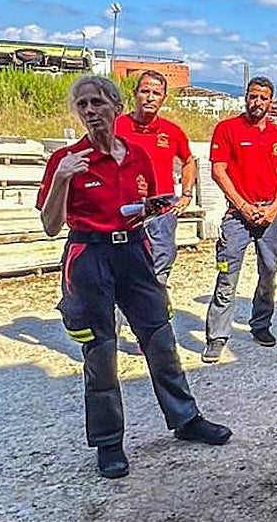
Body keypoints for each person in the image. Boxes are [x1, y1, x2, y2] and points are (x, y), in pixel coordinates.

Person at [38, 75, 231, 480]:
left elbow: (143, 205)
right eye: (83, 105)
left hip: (134, 251)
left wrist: (150, 209)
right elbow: (51, 225)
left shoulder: (138, 156)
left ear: (116, 106)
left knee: (160, 338)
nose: (90, 112)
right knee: (101, 351)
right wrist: (61, 180)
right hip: (89, 255)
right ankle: (109, 443)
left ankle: (186, 418)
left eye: (97, 103)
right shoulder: (67, 160)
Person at [203, 77, 277, 361]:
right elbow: (219, 171)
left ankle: (261, 324)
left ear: (271, 101)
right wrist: (242, 206)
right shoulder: (227, 129)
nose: (257, 102)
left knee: (269, 272)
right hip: (237, 216)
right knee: (227, 275)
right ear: (246, 97)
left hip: (270, 215)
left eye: (263, 98)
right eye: (253, 96)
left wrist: (274, 209)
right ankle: (217, 336)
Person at [114, 70, 197, 288]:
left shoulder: (172, 131)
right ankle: (118, 319)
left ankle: (153, 311)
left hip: (162, 208)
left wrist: (186, 194)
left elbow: (188, 161)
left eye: (156, 93)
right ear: (135, 94)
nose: (150, 97)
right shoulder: (116, 127)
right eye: (145, 91)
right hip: (126, 208)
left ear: (164, 98)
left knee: (162, 261)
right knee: (123, 266)